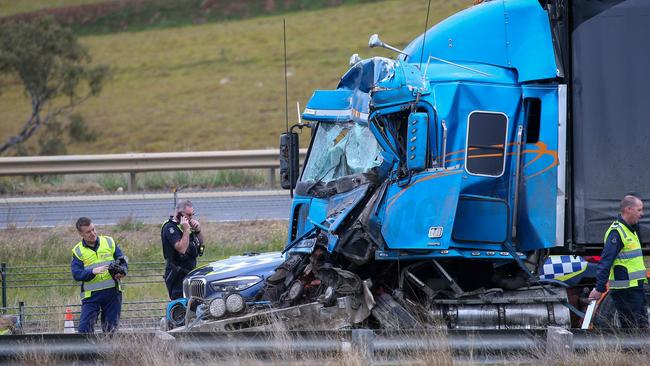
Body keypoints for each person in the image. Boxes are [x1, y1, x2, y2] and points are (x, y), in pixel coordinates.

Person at [589, 195, 648, 328]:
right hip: (626, 291)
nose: (642, 214)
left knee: (641, 324)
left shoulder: (630, 230)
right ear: (628, 209)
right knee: (632, 327)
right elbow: (605, 261)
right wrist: (599, 288)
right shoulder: (617, 232)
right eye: (639, 210)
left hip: (635, 288)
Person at [71, 217, 127, 333]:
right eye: (88, 232)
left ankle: (108, 351)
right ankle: (87, 351)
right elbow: (76, 274)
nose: (92, 233)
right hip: (91, 296)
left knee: (110, 330)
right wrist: (92, 272)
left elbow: (122, 260)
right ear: (81, 234)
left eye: (93, 229)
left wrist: (122, 272)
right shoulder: (78, 251)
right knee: (84, 330)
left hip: (112, 293)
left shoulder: (109, 242)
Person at [161, 200, 205, 300]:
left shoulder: (187, 226)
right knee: (181, 305)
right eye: (188, 215)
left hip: (190, 273)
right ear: (179, 213)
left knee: (194, 304)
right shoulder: (169, 227)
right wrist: (186, 230)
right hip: (177, 275)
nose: (191, 218)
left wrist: (198, 231)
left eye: (192, 215)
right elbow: (181, 249)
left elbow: (201, 244)